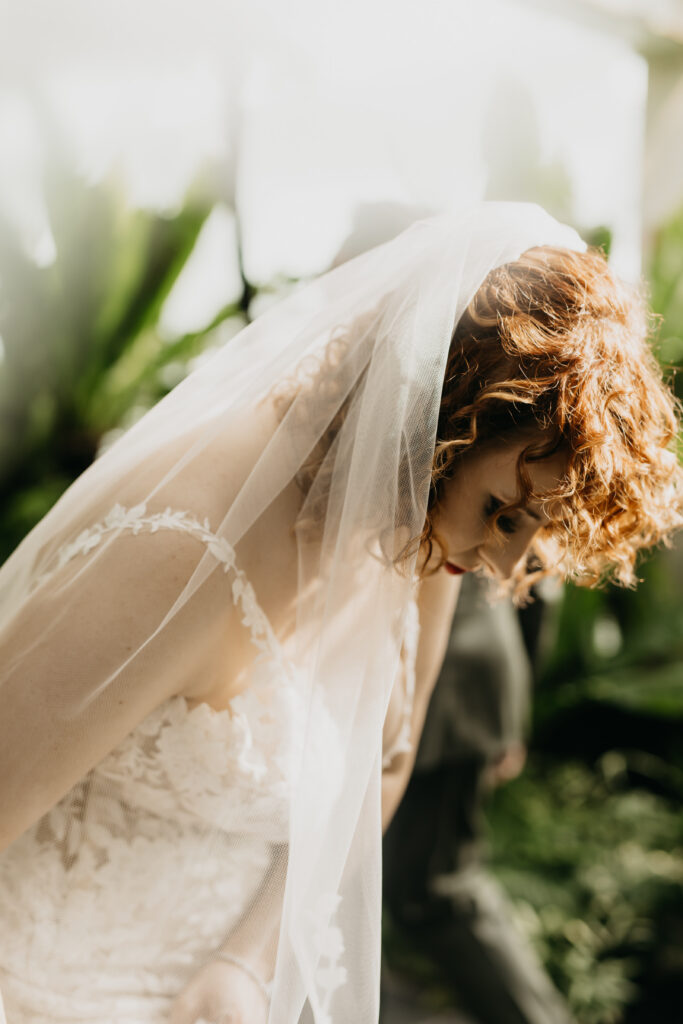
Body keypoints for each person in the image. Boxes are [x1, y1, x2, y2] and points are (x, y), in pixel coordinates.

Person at [0, 203, 680, 1024]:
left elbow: (380, 768)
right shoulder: (180, 549)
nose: (504, 565)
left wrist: (245, 964)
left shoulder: (415, 542)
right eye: (503, 512)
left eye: (534, 530)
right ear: (441, 422)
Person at [383, 570, 575, 1024]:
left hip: (456, 687)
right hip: (464, 679)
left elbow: (539, 571)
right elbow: (542, 583)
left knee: (438, 889)